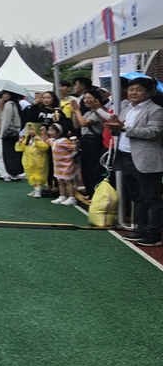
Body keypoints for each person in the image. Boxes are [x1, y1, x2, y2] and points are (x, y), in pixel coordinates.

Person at [106, 77, 163, 246]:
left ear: (148, 92)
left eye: (138, 89)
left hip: (146, 159)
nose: (133, 93)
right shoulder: (126, 110)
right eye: (131, 89)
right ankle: (140, 229)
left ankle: (154, 234)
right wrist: (115, 129)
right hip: (125, 157)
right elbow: (119, 132)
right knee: (137, 197)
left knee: (151, 198)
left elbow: (154, 132)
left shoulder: (156, 110)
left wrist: (123, 128)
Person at [73, 90, 112, 198]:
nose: (86, 100)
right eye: (85, 98)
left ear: (97, 99)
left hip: (94, 142)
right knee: (85, 168)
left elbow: (84, 123)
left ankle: (95, 194)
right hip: (85, 141)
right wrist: (75, 112)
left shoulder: (100, 112)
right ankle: (90, 192)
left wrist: (77, 111)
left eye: (89, 98)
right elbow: (77, 125)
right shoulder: (87, 113)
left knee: (92, 169)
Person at [46, 124, 78, 206]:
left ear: (59, 133)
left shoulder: (64, 141)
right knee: (59, 181)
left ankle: (72, 198)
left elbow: (73, 148)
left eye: (52, 130)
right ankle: (62, 196)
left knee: (68, 181)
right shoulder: (53, 141)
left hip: (67, 164)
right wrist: (43, 133)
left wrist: (74, 145)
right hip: (58, 165)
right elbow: (45, 141)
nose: (50, 132)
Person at [0, 91, 26, 180]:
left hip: (8, 132)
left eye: (6, 94)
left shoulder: (9, 104)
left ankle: (12, 172)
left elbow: (6, 120)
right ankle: (16, 173)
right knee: (14, 153)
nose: (4, 96)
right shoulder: (16, 104)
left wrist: (2, 133)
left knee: (8, 154)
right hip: (15, 132)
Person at [20, 124, 50, 198]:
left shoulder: (39, 139)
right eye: (29, 129)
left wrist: (39, 140)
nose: (31, 131)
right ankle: (35, 189)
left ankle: (38, 191)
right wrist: (20, 142)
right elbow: (22, 148)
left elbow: (45, 147)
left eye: (32, 129)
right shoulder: (28, 139)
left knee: (38, 176)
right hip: (28, 161)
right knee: (31, 175)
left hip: (38, 161)